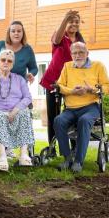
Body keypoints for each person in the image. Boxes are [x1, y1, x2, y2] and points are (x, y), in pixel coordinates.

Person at [54, 42, 109, 173]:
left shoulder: (98, 66)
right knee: (58, 120)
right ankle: (67, 159)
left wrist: (92, 89)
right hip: (70, 108)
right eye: (74, 53)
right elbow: (60, 86)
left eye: (81, 52)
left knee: (84, 120)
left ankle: (78, 161)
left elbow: (108, 88)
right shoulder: (67, 66)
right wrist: (72, 91)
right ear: (71, 54)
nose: (77, 55)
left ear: (87, 53)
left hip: (90, 107)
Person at [40, 10, 84, 145]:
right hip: (54, 81)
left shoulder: (80, 40)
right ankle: (52, 147)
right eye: (71, 21)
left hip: (72, 82)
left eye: (76, 22)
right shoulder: (60, 35)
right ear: (65, 23)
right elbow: (56, 39)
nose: (74, 24)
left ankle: (74, 146)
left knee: (73, 112)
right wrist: (65, 18)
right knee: (54, 115)